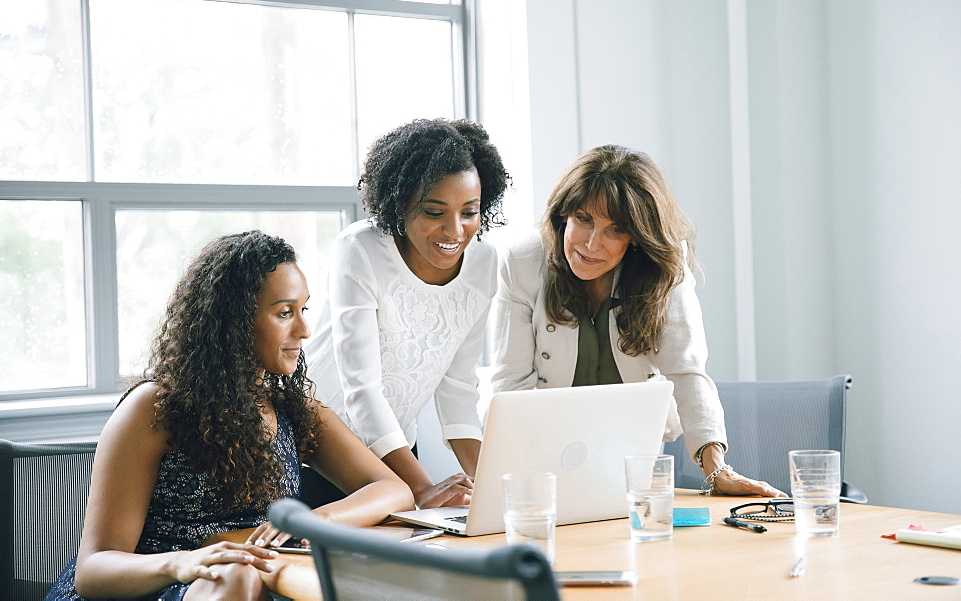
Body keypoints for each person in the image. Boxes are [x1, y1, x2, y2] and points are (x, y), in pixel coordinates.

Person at [46, 231, 412, 601]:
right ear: (233, 322)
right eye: (285, 313)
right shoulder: (155, 407)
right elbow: (93, 571)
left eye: (304, 310)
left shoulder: (293, 410)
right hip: (147, 586)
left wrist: (313, 522)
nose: (304, 330)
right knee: (238, 578)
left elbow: (394, 491)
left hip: (241, 585)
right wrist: (182, 562)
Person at [490, 145, 783, 497]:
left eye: (615, 230)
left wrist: (717, 470)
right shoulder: (523, 263)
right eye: (583, 219)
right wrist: (519, 475)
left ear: (636, 239)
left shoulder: (661, 268)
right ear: (563, 214)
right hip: (543, 456)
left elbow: (687, 374)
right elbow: (510, 384)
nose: (591, 244)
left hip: (630, 460)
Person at [306, 118, 511, 509]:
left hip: (395, 447)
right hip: (319, 449)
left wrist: (492, 492)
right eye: (434, 212)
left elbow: (458, 388)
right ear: (400, 204)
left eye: (469, 211)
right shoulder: (362, 249)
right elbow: (361, 389)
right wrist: (421, 490)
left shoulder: (484, 263)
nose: (455, 231)